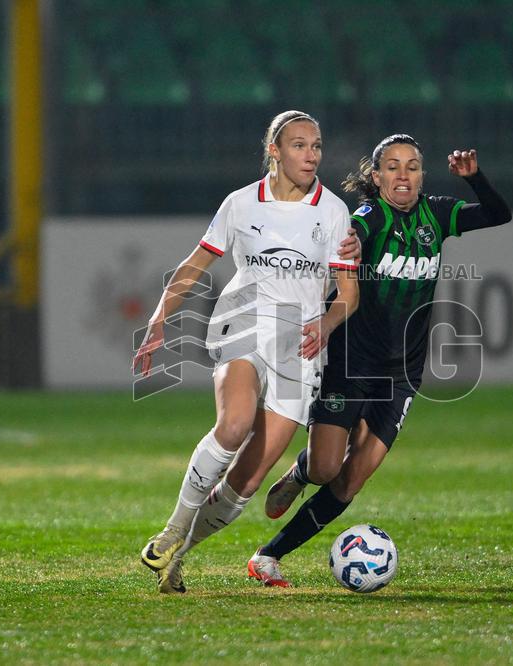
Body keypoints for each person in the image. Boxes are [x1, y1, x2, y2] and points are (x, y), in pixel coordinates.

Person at [246, 134, 512, 587]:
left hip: (403, 372)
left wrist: (475, 179)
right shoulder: (370, 216)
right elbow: (354, 235)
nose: (403, 174)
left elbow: (497, 214)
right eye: (392, 166)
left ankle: (268, 557)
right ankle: (303, 470)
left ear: (422, 175)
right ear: (377, 176)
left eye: (412, 165)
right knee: (328, 468)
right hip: (350, 363)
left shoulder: (439, 213)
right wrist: (347, 246)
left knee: (351, 481)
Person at [132, 110, 360, 593]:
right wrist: (158, 318)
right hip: (246, 325)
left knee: (248, 483)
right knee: (233, 424)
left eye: (317, 145)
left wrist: (329, 318)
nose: (311, 154)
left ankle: (180, 555)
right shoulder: (241, 204)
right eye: (299, 145)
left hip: (301, 346)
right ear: (274, 151)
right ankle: (174, 526)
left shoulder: (334, 211)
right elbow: (195, 265)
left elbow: (348, 293)